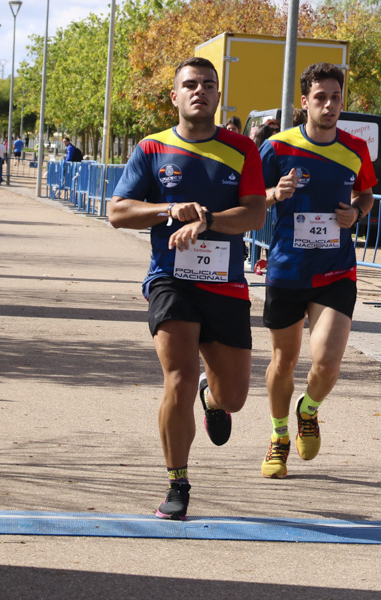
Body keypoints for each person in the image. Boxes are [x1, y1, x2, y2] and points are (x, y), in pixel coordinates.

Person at [108, 57, 266, 521]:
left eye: (209, 85)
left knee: (235, 396)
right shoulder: (152, 149)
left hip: (227, 283)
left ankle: (212, 398)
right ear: (175, 96)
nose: (200, 91)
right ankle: (178, 482)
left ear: (219, 97)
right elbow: (118, 211)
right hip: (170, 279)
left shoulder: (242, 150)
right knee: (175, 375)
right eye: (190, 84)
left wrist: (209, 220)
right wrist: (169, 210)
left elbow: (255, 215)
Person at [257, 62, 376, 479]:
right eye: (320, 97)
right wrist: (274, 193)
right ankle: (278, 435)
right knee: (283, 362)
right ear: (304, 101)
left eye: (336, 97)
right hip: (288, 270)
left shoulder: (355, 149)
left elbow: (367, 194)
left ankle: (308, 411)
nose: (329, 105)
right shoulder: (277, 147)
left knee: (326, 363)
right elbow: (251, 199)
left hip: (336, 270)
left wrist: (356, 214)